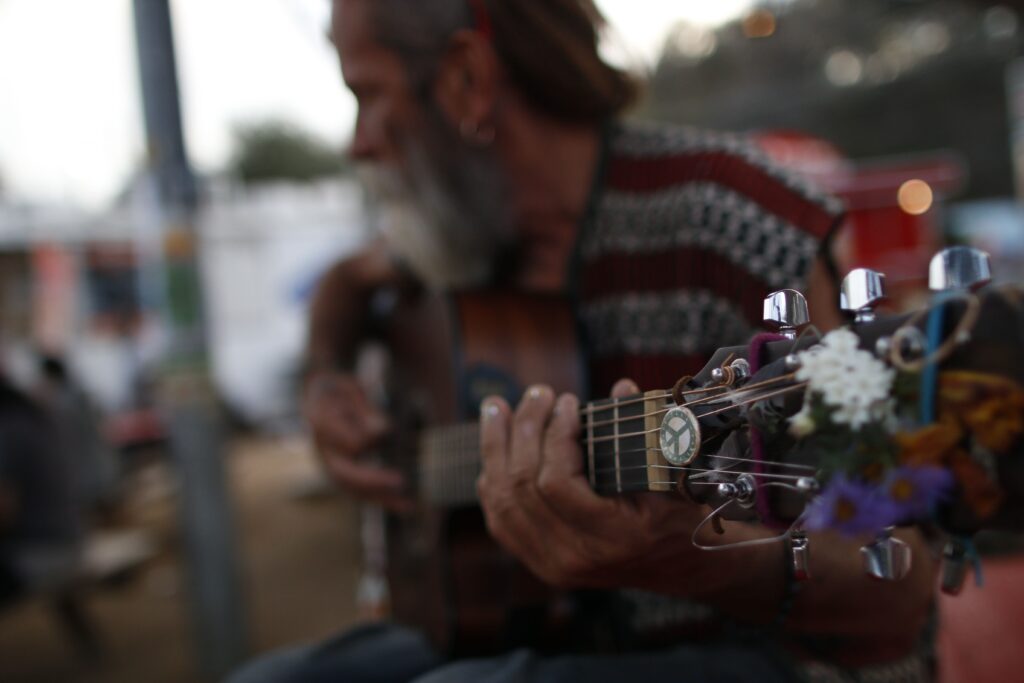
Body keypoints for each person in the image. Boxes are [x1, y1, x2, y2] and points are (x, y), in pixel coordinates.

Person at [229, 1, 937, 681]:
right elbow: (348, 283)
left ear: (466, 79)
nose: (359, 141)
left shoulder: (736, 218)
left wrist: (696, 559)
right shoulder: (457, 236)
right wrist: (325, 373)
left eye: (368, 94)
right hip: (524, 634)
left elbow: (900, 577)